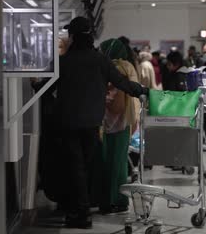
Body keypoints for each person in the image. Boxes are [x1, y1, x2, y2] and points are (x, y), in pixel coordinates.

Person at [57, 17, 148, 229]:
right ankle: (83, 209)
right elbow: (122, 83)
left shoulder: (64, 61)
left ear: (74, 36)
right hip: (92, 123)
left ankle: (80, 213)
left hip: (68, 122)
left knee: (75, 168)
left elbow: (46, 86)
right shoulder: (100, 60)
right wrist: (144, 91)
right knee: (86, 167)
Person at [98, 38, 140, 215]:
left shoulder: (109, 67)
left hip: (106, 122)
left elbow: (108, 96)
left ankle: (108, 200)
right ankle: (121, 200)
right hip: (125, 121)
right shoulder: (129, 67)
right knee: (120, 163)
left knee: (107, 163)